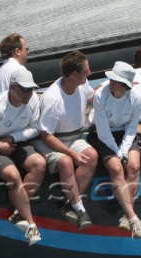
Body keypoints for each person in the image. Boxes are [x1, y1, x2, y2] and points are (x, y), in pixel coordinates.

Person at [0, 68, 46, 246]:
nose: (29, 94)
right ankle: (30, 224)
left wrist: (13, 138)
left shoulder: (33, 99)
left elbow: (35, 127)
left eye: (31, 89)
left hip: (16, 139)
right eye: (24, 89)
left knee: (39, 163)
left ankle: (17, 213)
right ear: (12, 88)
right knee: (13, 175)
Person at [32, 50, 97, 230]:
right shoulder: (53, 99)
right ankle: (79, 208)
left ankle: (68, 205)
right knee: (67, 162)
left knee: (91, 156)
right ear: (75, 74)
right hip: (50, 140)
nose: (90, 73)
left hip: (74, 137)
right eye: (87, 71)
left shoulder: (82, 85)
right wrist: (71, 154)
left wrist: (116, 87)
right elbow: (46, 135)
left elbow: (93, 96)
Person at [87, 61, 141, 239]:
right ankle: (133, 218)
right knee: (116, 168)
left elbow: (132, 128)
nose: (110, 81)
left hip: (125, 136)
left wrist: (125, 150)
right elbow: (103, 132)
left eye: (115, 79)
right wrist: (119, 154)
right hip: (102, 135)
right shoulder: (100, 96)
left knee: (134, 167)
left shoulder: (136, 98)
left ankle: (125, 216)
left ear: (125, 85)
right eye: (111, 78)